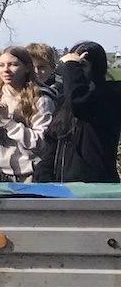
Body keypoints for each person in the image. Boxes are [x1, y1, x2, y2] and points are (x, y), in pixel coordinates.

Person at [0, 46, 53, 183]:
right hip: (1, 175)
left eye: (13, 65)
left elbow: (41, 143)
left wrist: (8, 122)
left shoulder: (41, 99)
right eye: (1, 65)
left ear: (27, 68)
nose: (6, 70)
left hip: (32, 175)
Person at [49, 42, 120, 182]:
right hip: (63, 183)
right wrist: (44, 175)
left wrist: (71, 65)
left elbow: (80, 103)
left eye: (81, 66)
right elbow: (53, 140)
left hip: (96, 184)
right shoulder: (65, 100)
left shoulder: (110, 95)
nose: (75, 72)